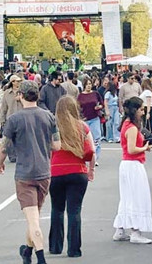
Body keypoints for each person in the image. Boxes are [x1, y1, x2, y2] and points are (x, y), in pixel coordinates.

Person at [0, 80, 60, 264]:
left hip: (25, 173)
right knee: (34, 216)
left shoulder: (14, 119)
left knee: (33, 221)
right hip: (44, 171)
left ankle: (40, 257)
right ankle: (27, 250)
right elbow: (57, 145)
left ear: (20, 96)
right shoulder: (49, 116)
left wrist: (0, 163)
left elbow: (4, 147)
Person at [49, 96, 95, 257]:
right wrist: (91, 170)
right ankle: (74, 249)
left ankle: (55, 246)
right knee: (74, 211)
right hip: (78, 171)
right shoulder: (82, 127)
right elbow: (91, 150)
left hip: (56, 171)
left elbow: (47, 149)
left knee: (57, 209)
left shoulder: (53, 127)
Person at [112, 96, 152, 244]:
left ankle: (120, 229)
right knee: (137, 197)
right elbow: (131, 149)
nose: (143, 112)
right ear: (135, 110)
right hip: (133, 165)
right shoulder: (131, 128)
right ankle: (136, 232)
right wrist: (145, 148)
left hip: (127, 165)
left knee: (127, 198)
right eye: (141, 109)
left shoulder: (127, 124)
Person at [75, 78, 103, 162]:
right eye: (87, 84)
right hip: (84, 119)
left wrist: (99, 107)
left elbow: (102, 103)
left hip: (94, 118)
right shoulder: (80, 96)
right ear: (84, 85)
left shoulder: (95, 94)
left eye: (90, 84)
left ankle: (95, 158)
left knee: (96, 138)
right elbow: (77, 107)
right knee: (84, 139)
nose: (88, 86)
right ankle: (85, 156)